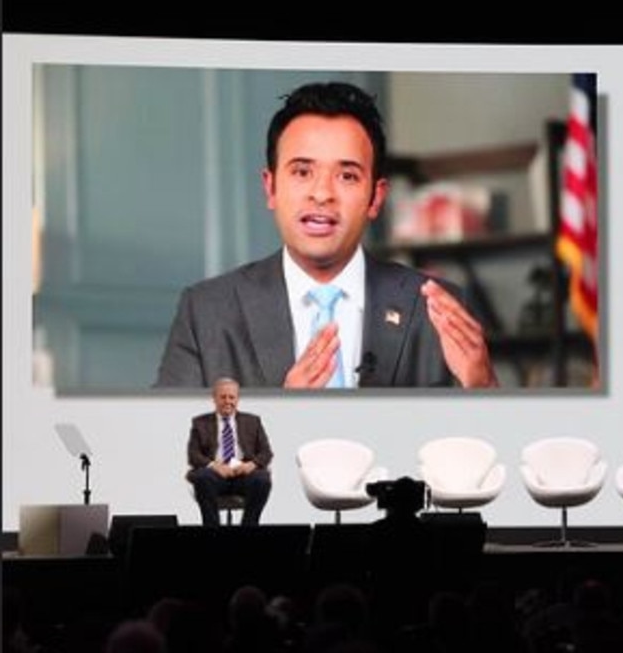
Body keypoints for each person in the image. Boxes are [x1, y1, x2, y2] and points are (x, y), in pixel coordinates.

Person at [154, 80, 496, 389]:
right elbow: (171, 446)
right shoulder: (207, 312)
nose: (322, 194)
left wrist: (482, 386)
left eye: (346, 176)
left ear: (375, 198)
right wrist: (283, 419)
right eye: (302, 171)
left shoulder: (436, 310)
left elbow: (491, 443)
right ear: (270, 187)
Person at [186, 377, 273, 526]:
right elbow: (193, 455)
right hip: (215, 476)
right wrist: (215, 466)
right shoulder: (200, 423)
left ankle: (248, 529)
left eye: (232, 397)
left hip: (243, 475)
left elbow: (266, 453)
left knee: (262, 479)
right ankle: (213, 531)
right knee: (202, 477)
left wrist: (250, 465)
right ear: (214, 399)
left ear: (237, 399)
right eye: (223, 397)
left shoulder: (253, 421)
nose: (228, 401)